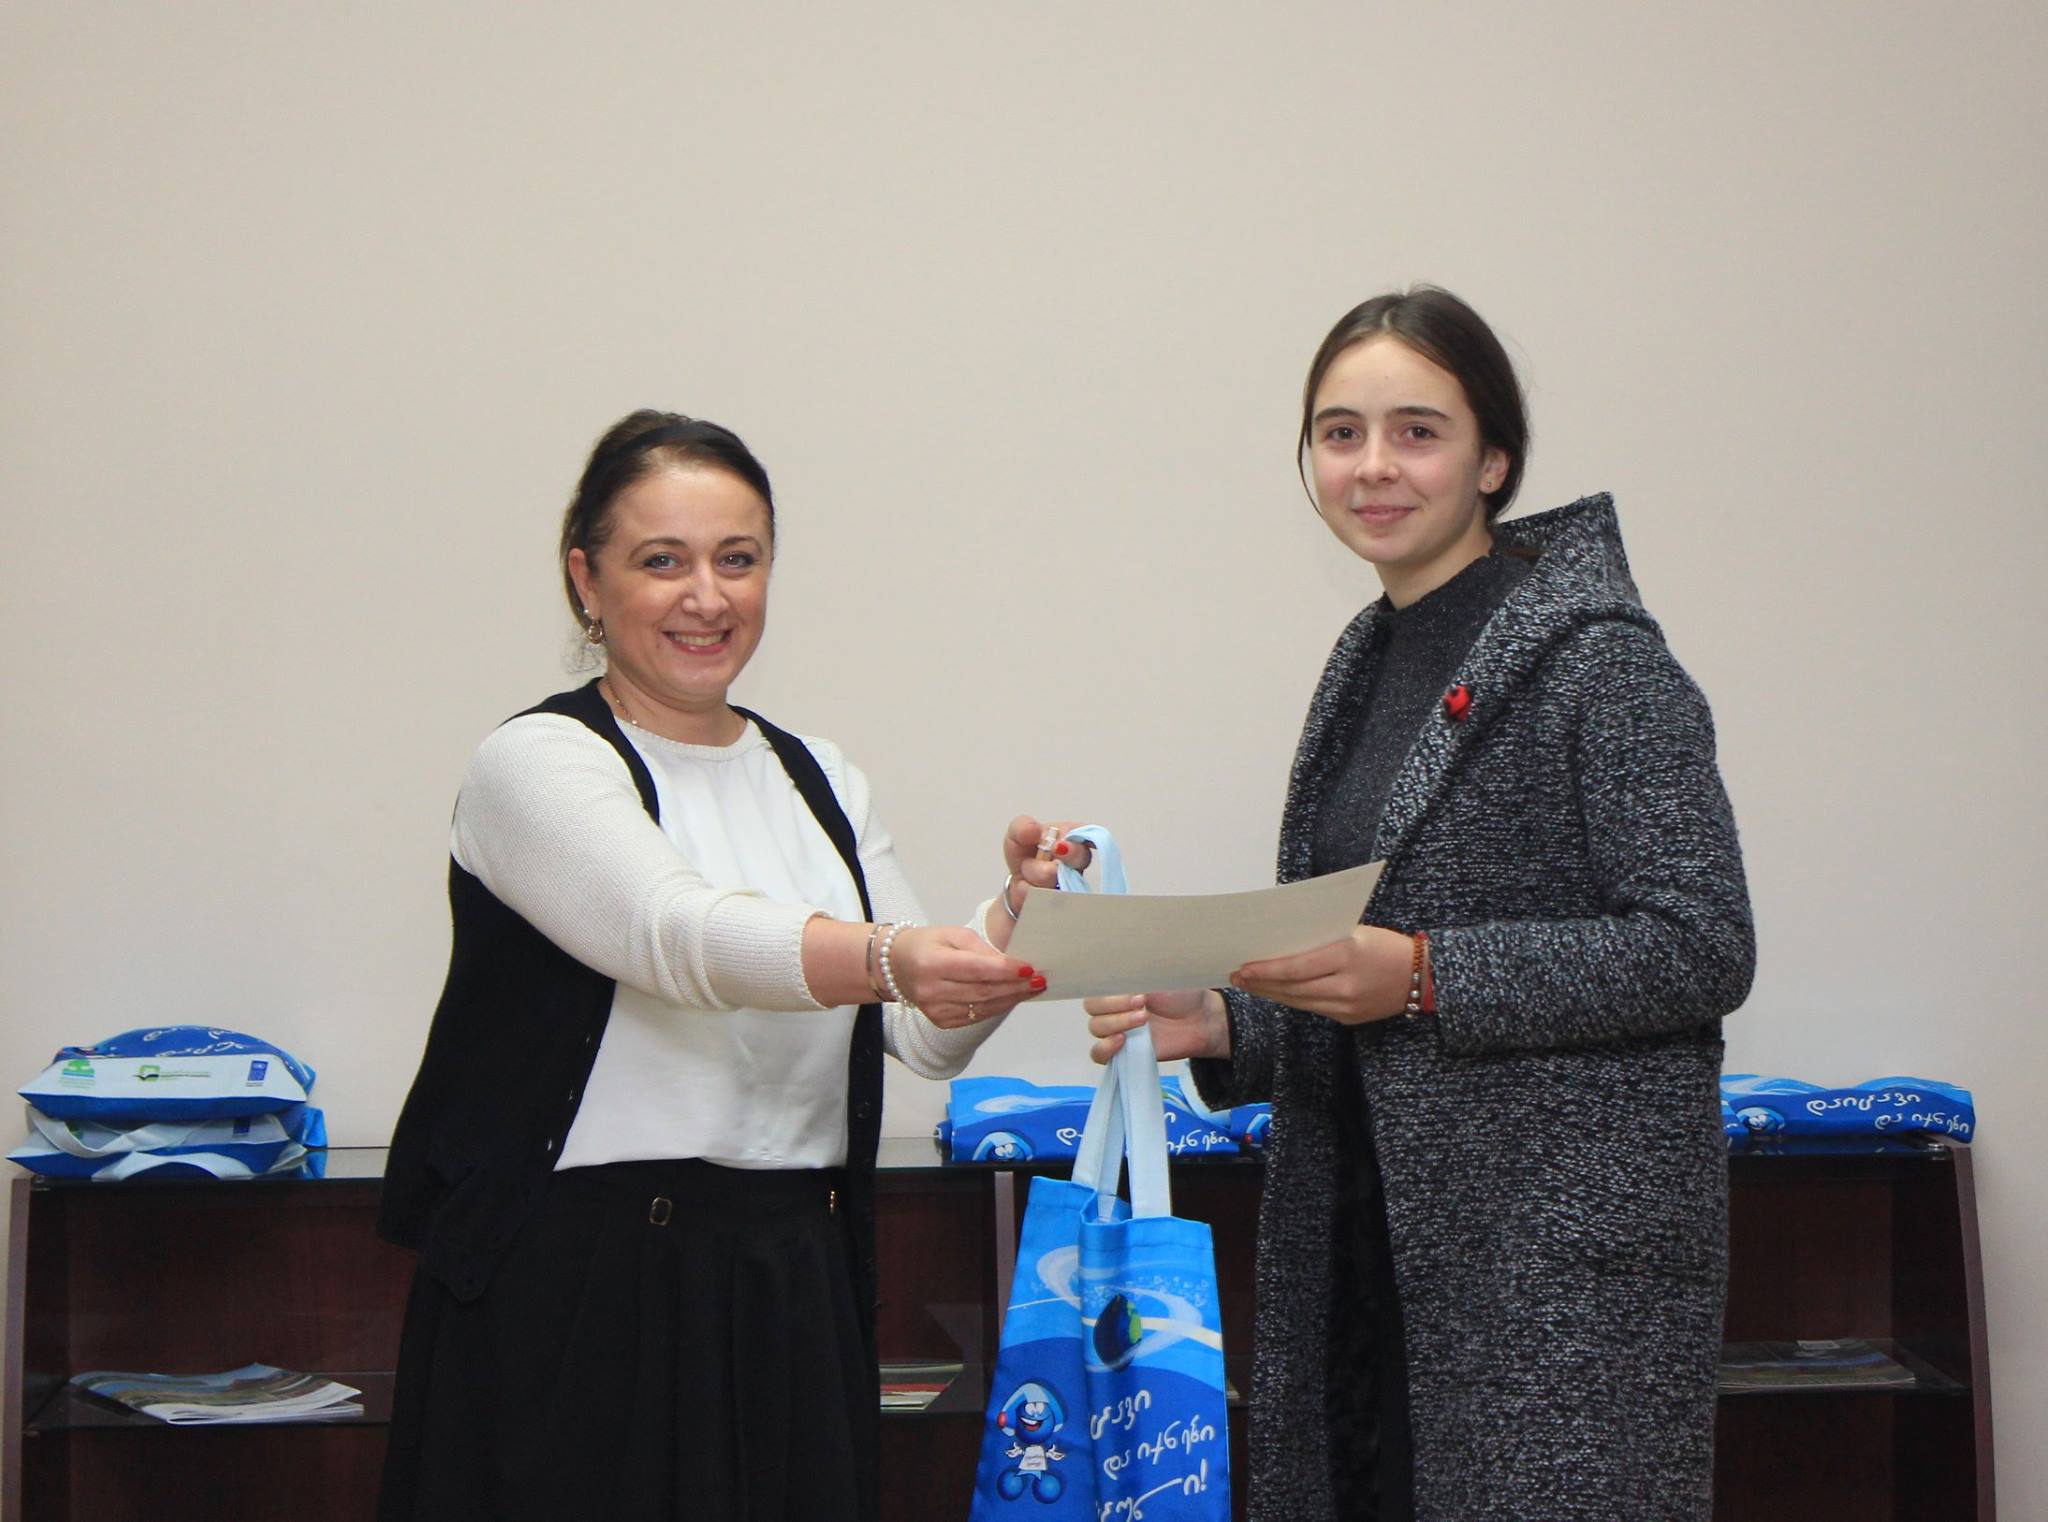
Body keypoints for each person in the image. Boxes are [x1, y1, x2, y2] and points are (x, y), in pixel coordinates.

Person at [1082, 288, 1755, 1522]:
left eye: (1416, 432)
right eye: (1339, 434)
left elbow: (1698, 943)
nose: (1372, 466)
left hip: (1545, 1270)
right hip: (1365, 1238)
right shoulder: (1365, 656)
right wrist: (1226, 1019)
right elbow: (1357, 964)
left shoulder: (1602, 659)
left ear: (1492, 459)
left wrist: (1425, 974)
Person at [377, 410, 1061, 1522]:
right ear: (585, 580)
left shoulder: (817, 775)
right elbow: (677, 936)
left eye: (738, 560)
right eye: (663, 561)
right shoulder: (534, 763)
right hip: (579, 1295)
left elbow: (921, 1031)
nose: (707, 597)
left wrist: (1017, 919)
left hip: (789, 1270)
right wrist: (888, 955)